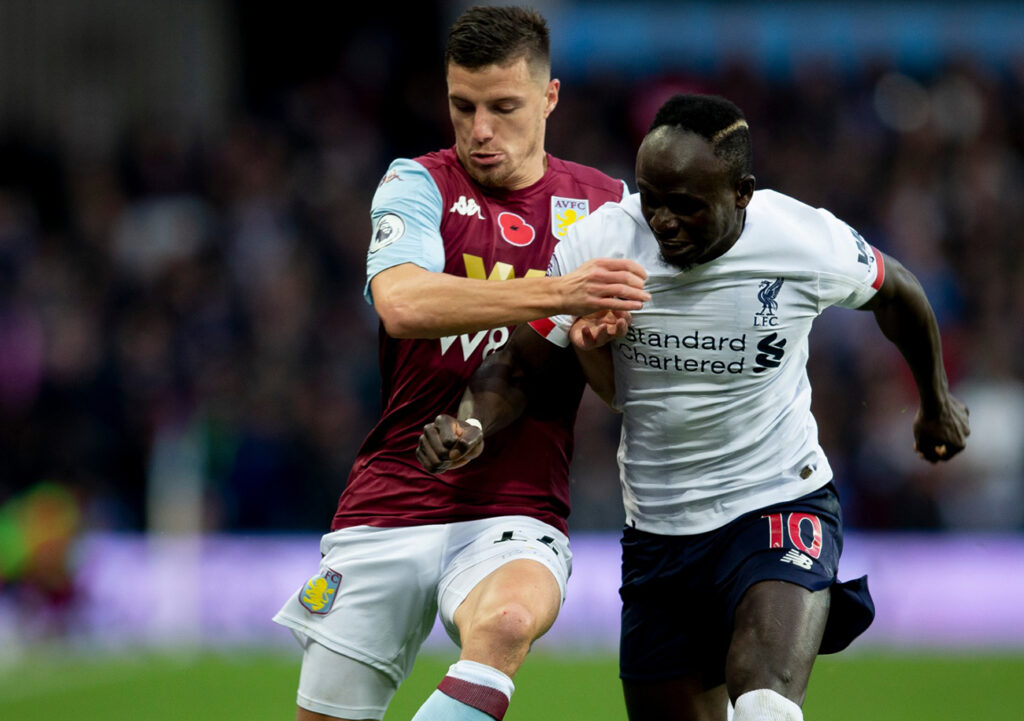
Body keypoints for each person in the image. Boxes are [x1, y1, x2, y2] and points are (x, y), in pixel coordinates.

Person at [416, 93, 970, 721]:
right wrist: (472, 424)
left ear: (742, 192)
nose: (663, 220)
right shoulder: (601, 243)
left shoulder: (801, 240)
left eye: (686, 205)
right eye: (652, 197)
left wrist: (935, 402)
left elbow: (897, 291)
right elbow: (516, 365)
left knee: (763, 700)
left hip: (778, 500)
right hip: (659, 531)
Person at [272, 6, 650, 721]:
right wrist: (563, 289)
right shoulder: (417, 184)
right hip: (389, 499)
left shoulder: (607, 210)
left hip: (516, 504)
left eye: (503, 107)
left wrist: (598, 341)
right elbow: (402, 304)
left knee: (507, 621)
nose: (480, 130)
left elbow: (623, 387)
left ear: (549, 98)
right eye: (462, 105)